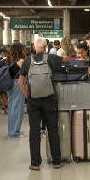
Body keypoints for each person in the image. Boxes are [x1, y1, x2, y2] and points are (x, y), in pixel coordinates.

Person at [17, 37, 63, 170]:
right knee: (53, 130)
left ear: (34, 48)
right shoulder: (51, 59)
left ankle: (35, 163)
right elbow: (66, 62)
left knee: (34, 132)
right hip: (49, 99)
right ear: (45, 47)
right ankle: (56, 161)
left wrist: (27, 95)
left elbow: (20, 82)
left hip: (33, 101)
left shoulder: (27, 61)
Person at [5, 44, 27, 138]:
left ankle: (13, 130)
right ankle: (14, 132)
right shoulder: (21, 61)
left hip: (9, 84)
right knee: (17, 108)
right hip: (18, 84)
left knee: (12, 108)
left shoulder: (8, 60)